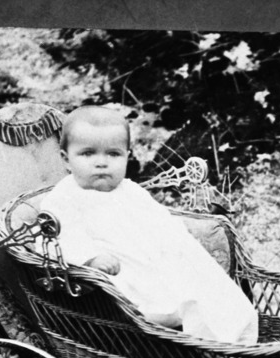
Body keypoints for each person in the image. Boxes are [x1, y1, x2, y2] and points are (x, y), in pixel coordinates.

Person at [41, 105, 258, 344]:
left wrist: (175, 242)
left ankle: (223, 335)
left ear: (127, 156)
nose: (101, 163)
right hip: (116, 279)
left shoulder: (131, 191)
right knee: (175, 299)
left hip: (152, 263)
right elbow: (58, 237)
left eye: (113, 154)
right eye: (87, 154)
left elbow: (160, 221)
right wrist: (90, 258)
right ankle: (200, 340)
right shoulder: (64, 197)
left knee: (202, 283)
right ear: (66, 160)